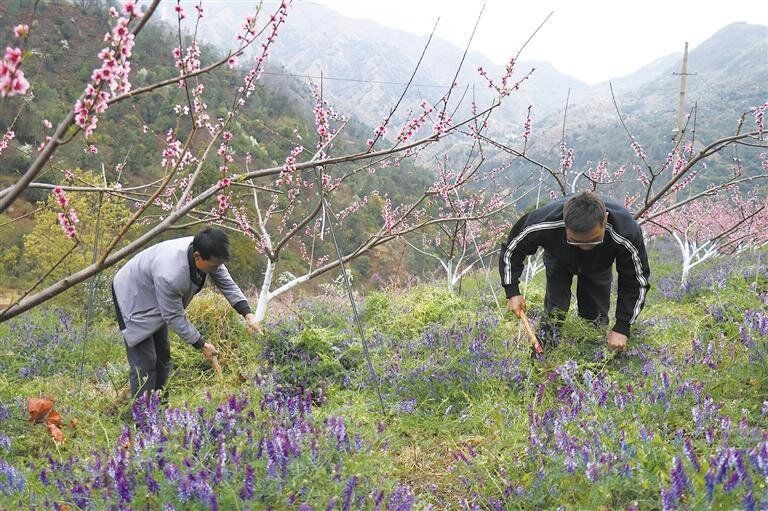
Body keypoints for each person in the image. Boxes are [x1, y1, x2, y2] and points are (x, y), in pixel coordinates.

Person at [111, 227, 261, 399]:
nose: (216, 269)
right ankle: (143, 418)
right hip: (132, 295)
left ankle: (159, 406)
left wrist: (247, 314)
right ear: (197, 256)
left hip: (153, 290)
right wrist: (201, 344)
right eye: (213, 266)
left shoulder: (209, 252)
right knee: (145, 362)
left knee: (162, 355)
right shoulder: (171, 275)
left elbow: (226, 283)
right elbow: (173, 316)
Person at [499, 192, 650, 353]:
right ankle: (543, 357)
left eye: (593, 240)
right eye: (576, 240)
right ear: (564, 223)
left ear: (605, 220)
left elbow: (635, 280)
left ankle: (591, 358)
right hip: (559, 257)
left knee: (594, 317)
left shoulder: (625, 231)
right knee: (555, 310)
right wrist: (512, 291)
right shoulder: (545, 221)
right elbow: (512, 249)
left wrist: (622, 327)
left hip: (599, 264)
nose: (585, 246)